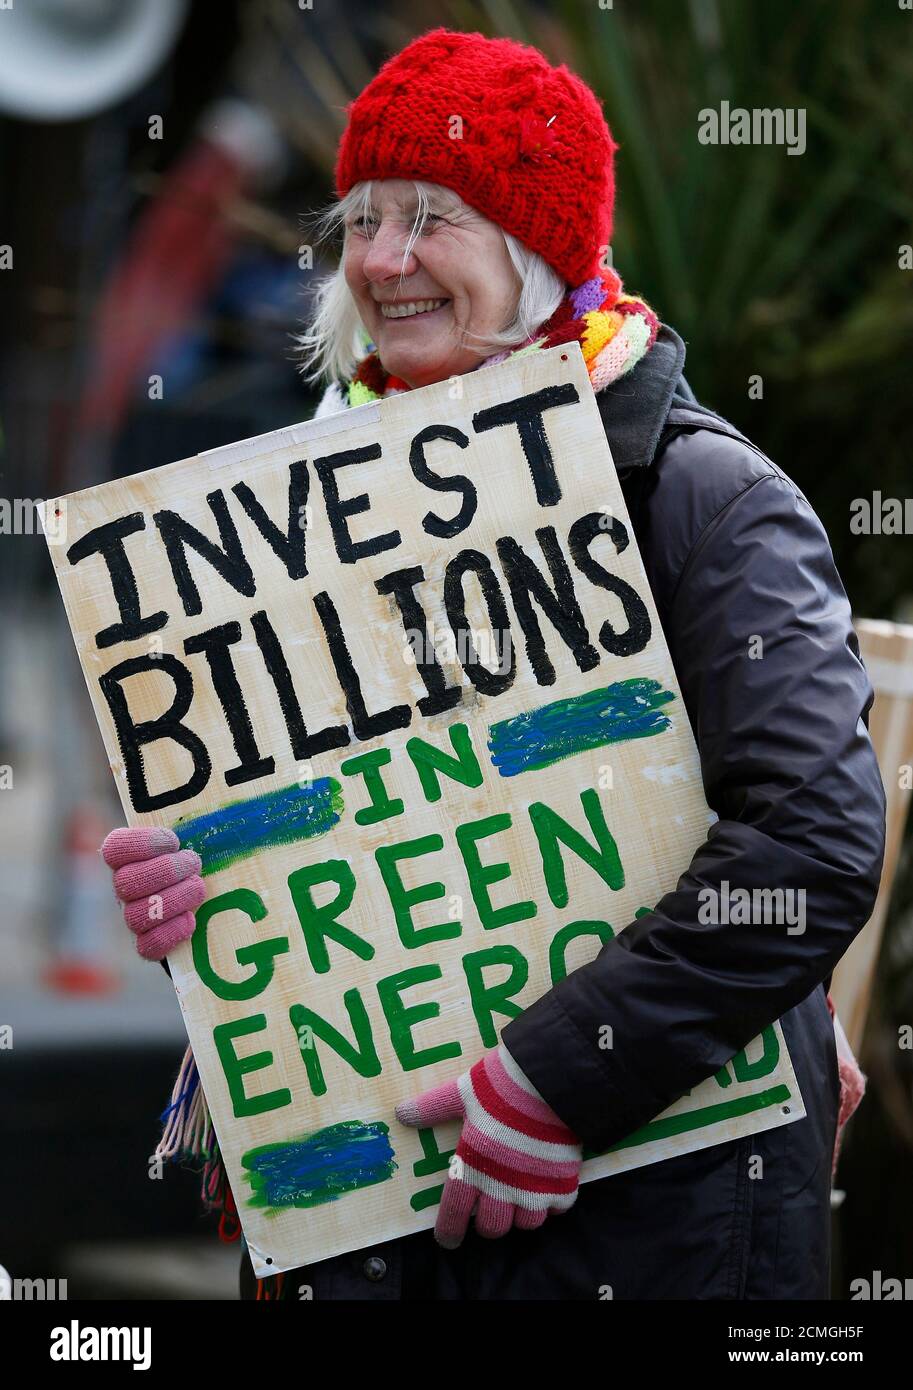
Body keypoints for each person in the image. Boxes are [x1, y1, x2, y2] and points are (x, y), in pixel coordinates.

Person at [101, 28, 885, 1300]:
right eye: (363, 217)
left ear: (536, 252)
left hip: (642, 1226)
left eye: (432, 218)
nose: (385, 259)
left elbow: (808, 841)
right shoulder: (290, 518)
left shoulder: (700, 495)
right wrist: (205, 881)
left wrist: (560, 1077)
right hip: (364, 1230)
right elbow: (329, 835)